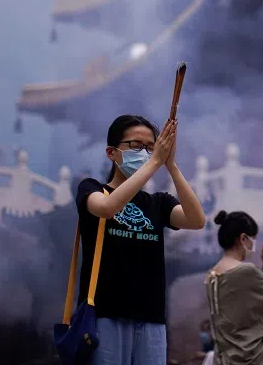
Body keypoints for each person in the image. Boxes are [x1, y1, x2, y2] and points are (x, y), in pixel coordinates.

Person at [77, 114, 207, 365]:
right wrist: (155, 161)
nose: (145, 153)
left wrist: (170, 165)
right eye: (136, 146)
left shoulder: (158, 203)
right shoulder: (92, 189)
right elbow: (106, 208)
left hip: (151, 320)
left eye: (150, 147)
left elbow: (196, 220)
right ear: (111, 153)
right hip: (105, 317)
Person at [205, 210, 263, 365]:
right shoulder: (246, 271)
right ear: (243, 238)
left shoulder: (212, 274)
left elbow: (254, 298)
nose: (254, 245)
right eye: (253, 239)